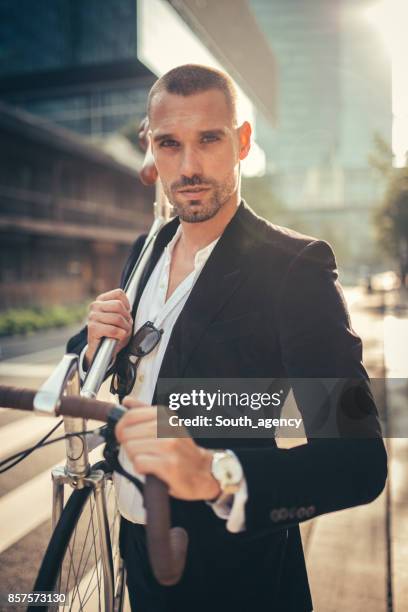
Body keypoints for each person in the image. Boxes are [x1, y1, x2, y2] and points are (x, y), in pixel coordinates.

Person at [67, 64, 387, 612]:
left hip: (238, 575)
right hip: (139, 546)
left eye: (209, 139)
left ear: (242, 142)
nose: (188, 167)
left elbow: (357, 463)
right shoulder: (144, 250)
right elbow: (102, 364)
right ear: (152, 147)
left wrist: (217, 475)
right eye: (170, 144)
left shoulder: (295, 268)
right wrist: (98, 345)